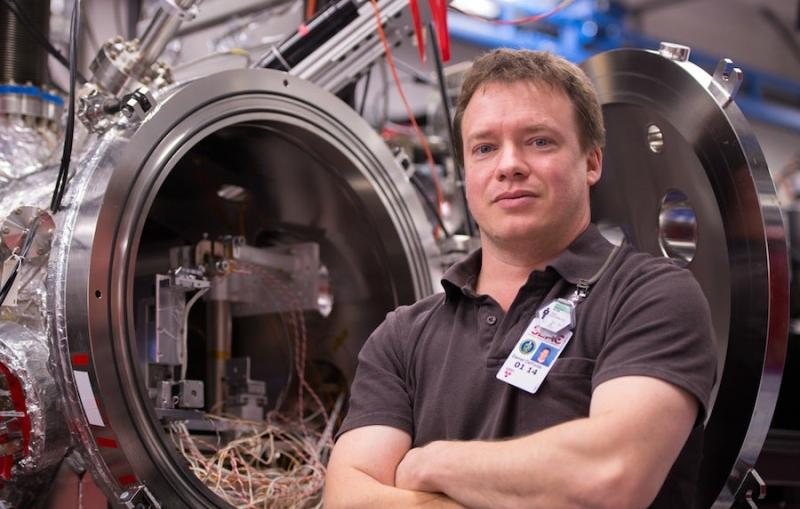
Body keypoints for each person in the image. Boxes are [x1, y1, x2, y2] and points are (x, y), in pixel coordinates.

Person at [324, 49, 717, 509]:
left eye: (539, 141)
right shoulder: (402, 338)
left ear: (592, 162)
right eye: (485, 148)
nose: (509, 165)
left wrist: (430, 464)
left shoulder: (648, 296)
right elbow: (348, 498)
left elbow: (610, 477)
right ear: (466, 173)